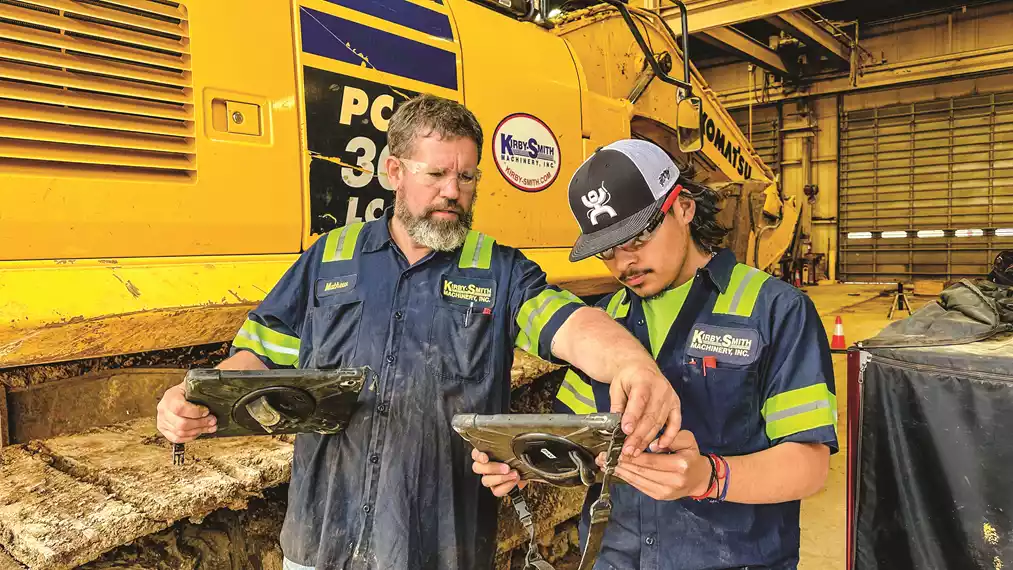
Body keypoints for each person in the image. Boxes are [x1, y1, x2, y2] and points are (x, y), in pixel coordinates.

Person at [156, 97, 683, 570]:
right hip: (322, 540)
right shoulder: (329, 256)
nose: (453, 192)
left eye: (468, 178)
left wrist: (631, 365)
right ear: (394, 171)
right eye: (436, 175)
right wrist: (198, 396)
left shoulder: (498, 272)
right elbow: (262, 352)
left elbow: (573, 325)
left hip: (438, 545)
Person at [473, 139, 837, 570]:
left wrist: (710, 477)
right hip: (618, 556)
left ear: (682, 207)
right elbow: (580, 449)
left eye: (639, 236)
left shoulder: (773, 310)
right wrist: (521, 464)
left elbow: (809, 466)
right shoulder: (605, 322)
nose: (624, 262)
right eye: (607, 249)